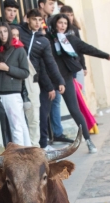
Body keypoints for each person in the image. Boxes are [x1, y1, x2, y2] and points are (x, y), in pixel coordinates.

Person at [47, 14, 110, 153]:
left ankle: (88, 141)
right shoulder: (48, 40)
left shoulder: (70, 40)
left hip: (66, 78)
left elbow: (87, 48)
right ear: (54, 24)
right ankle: (43, 144)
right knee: (45, 111)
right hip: (51, 80)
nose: (63, 25)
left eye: (65, 23)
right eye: (60, 22)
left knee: (75, 110)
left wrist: (104, 55)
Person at [18, 9, 66, 152]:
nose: (38, 23)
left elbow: (50, 63)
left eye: (40, 20)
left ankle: (38, 146)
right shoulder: (18, 32)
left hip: (32, 80)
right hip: (14, 77)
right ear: (27, 19)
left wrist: (59, 81)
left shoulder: (43, 41)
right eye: (35, 20)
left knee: (35, 114)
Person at [0, 23, 31, 146]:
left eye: (5, 31)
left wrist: (7, 68)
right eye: (0, 32)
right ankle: (28, 151)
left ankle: (20, 156)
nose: (3, 34)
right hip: (3, 92)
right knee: (20, 124)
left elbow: (25, 72)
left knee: (17, 126)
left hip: (12, 93)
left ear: (9, 32)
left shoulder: (19, 49)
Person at [59, 5, 86, 89]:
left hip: (77, 64)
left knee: (81, 90)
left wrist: (83, 66)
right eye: (67, 15)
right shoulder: (59, 30)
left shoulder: (74, 29)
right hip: (66, 66)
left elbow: (80, 48)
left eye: (71, 15)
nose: (70, 17)